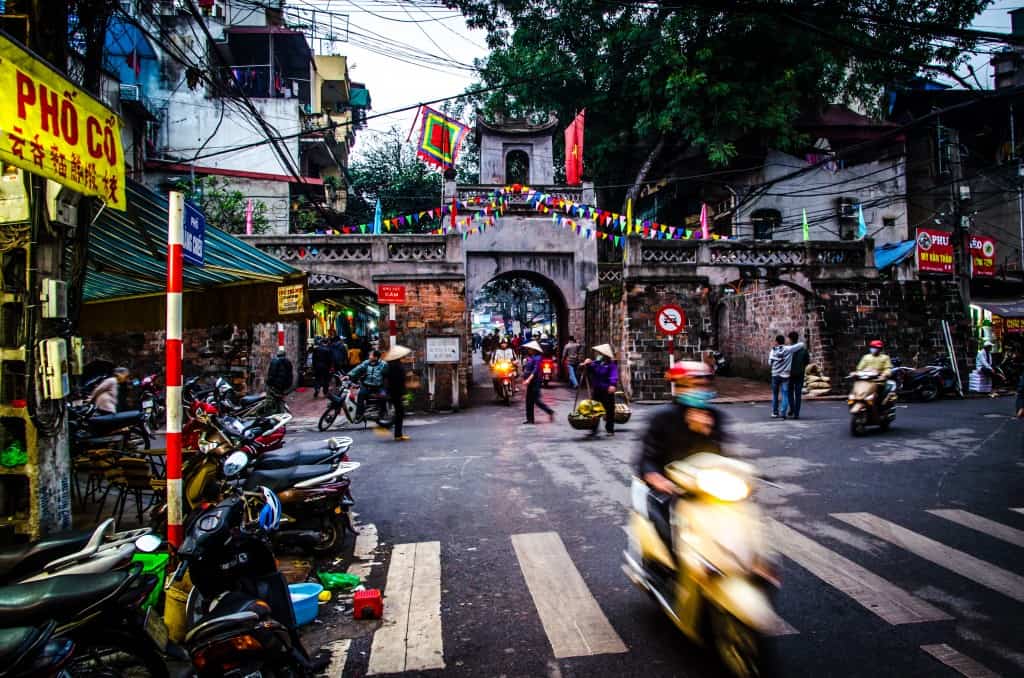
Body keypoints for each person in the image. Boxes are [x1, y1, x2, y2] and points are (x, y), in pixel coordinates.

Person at [635, 361, 726, 549]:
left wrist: (706, 432)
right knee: (666, 521)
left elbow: (721, 455)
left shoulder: (714, 416)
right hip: (670, 484)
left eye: (704, 385)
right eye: (695, 385)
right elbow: (647, 459)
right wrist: (657, 478)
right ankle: (671, 563)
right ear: (680, 387)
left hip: (704, 483)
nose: (700, 389)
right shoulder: (662, 417)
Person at [580, 344, 619, 437]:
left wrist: (612, 385)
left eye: (601, 353)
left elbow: (614, 376)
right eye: (599, 353)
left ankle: (610, 429)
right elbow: (584, 368)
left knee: (609, 411)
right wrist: (585, 364)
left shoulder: (611, 365)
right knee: (594, 410)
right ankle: (593, 429)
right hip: (597, 390)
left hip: (607, 390)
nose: (599, 355)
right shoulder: (596, 363)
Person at [768, 334, 803, 419]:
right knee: (785, 395)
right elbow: (801, 344)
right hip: (785, 376)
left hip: (775, 375)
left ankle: (775, 412)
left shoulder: (773, 351)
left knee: (775, 394)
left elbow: (769, 363)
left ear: (776, 342)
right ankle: (783, 412)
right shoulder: (788, 349)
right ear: (784, 341)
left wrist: (776, 360)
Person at [348, 349, 387, 421]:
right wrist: (349, 375)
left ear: (376, 357)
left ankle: (383, 413)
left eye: (371, 355)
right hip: (366, 385)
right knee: (361, 395)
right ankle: (359, 414)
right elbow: (358, 369)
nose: (369, 356)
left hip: (379, 386)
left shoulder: (383, 364)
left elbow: (389, 374)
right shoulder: (366, 363)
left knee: (383, 396)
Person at [521, 341, 554, 424]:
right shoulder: (530, 357)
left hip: (535, 381)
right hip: (531, 381)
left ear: (534, 349)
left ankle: (549, 411)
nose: (528, 350)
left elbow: (535, 371)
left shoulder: (538, 358)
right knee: (529, 401)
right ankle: (530, 419)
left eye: (530, 349)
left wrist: (528, 379)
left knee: (536, 400)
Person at [384, 344, 411, 441]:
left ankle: (397, 434)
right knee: (400, 413)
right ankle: (398, 434)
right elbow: (398, 380)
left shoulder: (391, 365)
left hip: (392, 391)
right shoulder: (397, 366)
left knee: (399, 412)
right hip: (396, 392)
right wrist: (403, 392)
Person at [787, 331, 810, 419]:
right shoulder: (803, 350)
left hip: (790, 374)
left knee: (789, 392)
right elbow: (807, 361)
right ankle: (796, 413)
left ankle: (792, 408)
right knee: (798, 394)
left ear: (791, 339)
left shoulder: (789, 350)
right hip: (800, 373)